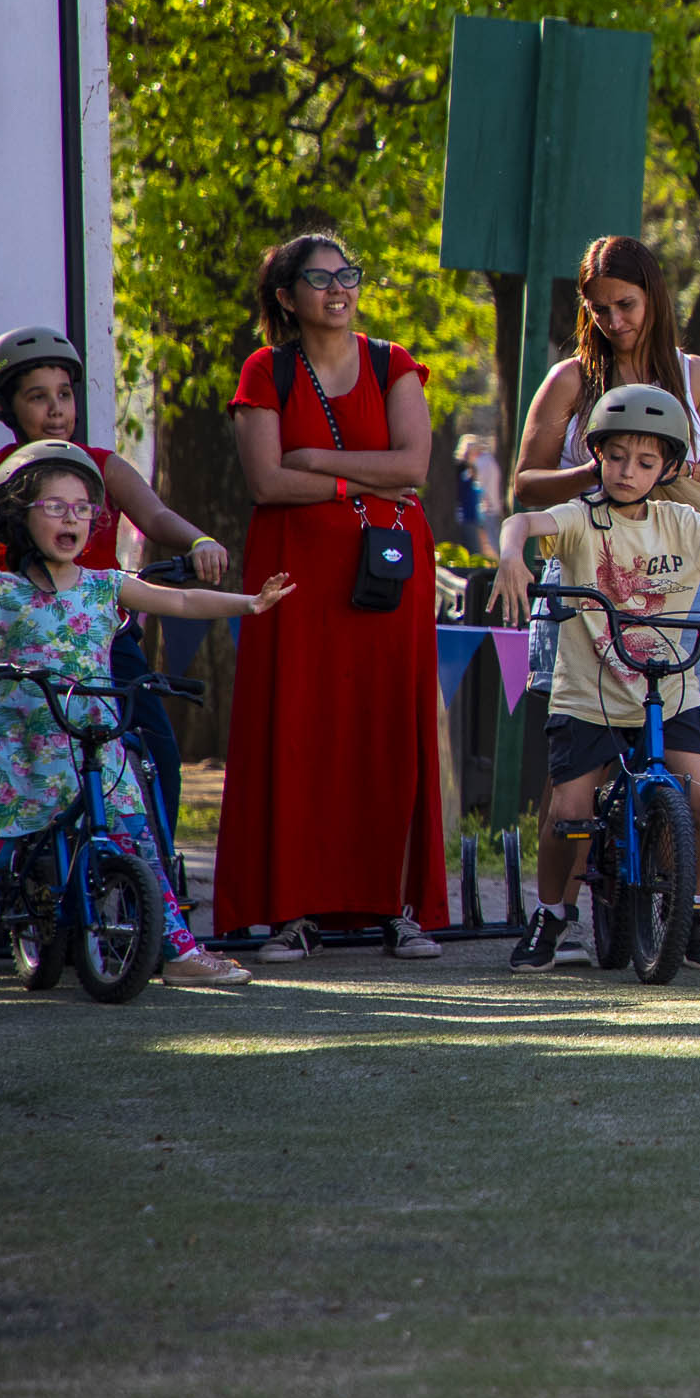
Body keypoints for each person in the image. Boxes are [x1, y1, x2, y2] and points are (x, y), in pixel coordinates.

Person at [0, 444, 293, 999]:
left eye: (83, 510)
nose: (72, 520)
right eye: (55, 507)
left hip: (95, 747)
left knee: (141, 846)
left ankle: (179, 951)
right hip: (20, 751)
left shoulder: (106, 585)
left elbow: (178, 603)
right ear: (18, 516)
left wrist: (247, 604)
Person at [490, 385, 700, 974]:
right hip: (590, 697)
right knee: (569, 812)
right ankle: (551, 914)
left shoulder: (683, 523)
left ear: (668, 468)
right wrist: (513, 555)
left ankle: (691, 909)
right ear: (596, 455)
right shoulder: (580, 518)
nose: (626, 471)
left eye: (645, 462)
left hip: (668, 692)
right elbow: (522, 519)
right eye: (615, 456)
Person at [0, 325, 232, 898]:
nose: (57, 410)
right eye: (37, 396)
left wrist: (198, 541)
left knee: (156, 750)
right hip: (11, 641)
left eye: (65, 394)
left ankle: (151, 892)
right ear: (3, 406)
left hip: (99, 642)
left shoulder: (102, 466)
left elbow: (154, 516)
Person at [213, 233, 450, 961]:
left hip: (387, 575)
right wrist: (355, 482)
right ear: (287, 298)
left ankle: (397, 908)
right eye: (318, 279)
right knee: (298, 732)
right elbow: (267, 483)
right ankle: (290, 912)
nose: (337, 288)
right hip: (296, 578)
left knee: (387, 732)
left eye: (347, 273)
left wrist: (315, 459)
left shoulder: (393, 362)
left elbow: (412, 468)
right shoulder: (267, 369)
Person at [511, 235, 700, 964]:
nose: (614, 319)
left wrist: (658, 465)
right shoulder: (570, 382)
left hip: (676, 578)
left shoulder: (697, 375)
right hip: (587, 578)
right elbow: (525, 483)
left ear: (655, 299)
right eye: (599, 306)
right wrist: (597, 468)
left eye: (627, 304)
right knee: (573, 778)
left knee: (682, 766)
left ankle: (684, 909)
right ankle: (555, 915)